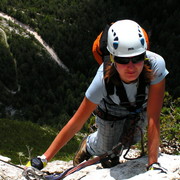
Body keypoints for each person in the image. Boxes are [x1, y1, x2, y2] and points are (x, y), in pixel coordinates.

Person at [26, 20, 169, 171]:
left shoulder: (156, 65)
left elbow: (153, 116)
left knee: (132, 139)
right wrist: (43, 159)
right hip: (111, 108)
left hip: (139, 105)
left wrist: (153, 164)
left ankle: (112, 155)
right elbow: (76, 122)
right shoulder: (103, 79)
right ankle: (88, 145)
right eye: (123, 60)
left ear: (144, 54)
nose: (131, 67)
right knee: (104, 147)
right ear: (113, 58)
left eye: (138, 58)